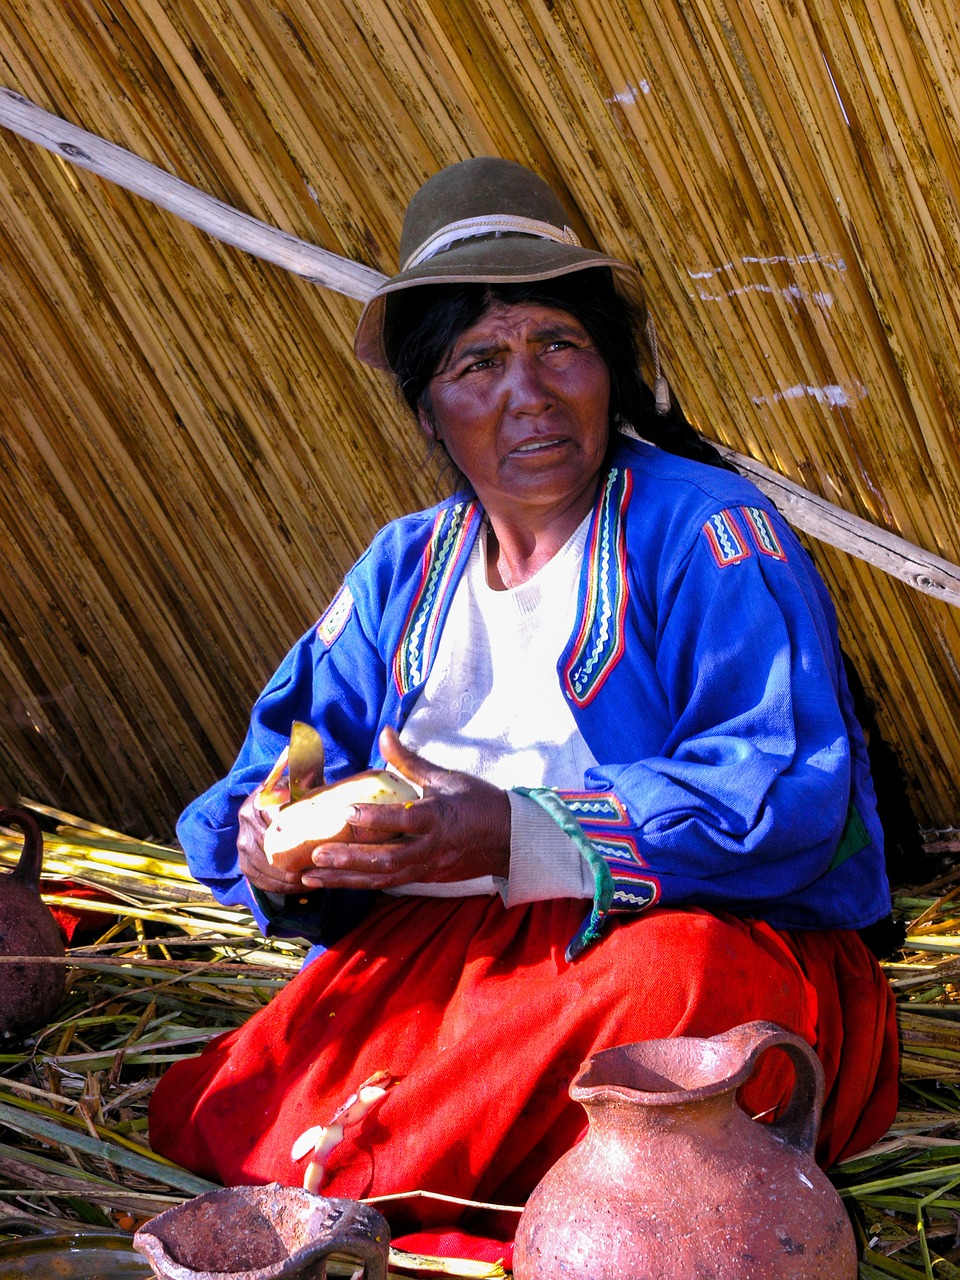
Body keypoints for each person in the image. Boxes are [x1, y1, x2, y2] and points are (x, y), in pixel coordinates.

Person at [149, 157, 899, 1262]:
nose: (527, 393)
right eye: (478, 361)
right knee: (228, 1099)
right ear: (430, 406)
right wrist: (273, 833)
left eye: (560, 345)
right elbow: (299, 746)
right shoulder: (401, 571)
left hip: (693, 936)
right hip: (456, 960)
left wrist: (514, 827)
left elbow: (783, 787)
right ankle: (475, 1180)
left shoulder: (711, 532)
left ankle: (444, 1184)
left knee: (675, 988)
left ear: (614, 370)